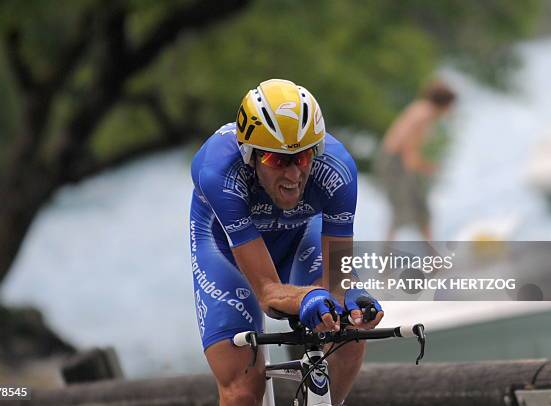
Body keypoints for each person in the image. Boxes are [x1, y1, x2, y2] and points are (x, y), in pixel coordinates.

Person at [189, 79, 383, 406]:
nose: (294, 175)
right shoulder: (217, 170)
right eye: (278, 161)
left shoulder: (338, 170)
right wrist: (311, 296)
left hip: (301, 236)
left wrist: (349, 300)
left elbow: (337, 280)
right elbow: (267, 293)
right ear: (250, 155)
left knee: (350, 335)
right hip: (226, 250)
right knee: (242, 391)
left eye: (304, 158)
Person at [377, 81, 456, 241]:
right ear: (445, 103)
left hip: (395, 162)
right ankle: (387, 262)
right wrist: (428, 168)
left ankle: (433, 261)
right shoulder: (424, 115)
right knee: (406, 210)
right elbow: (409, 154)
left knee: (418, 211)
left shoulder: (422, 109)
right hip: (395, 164)